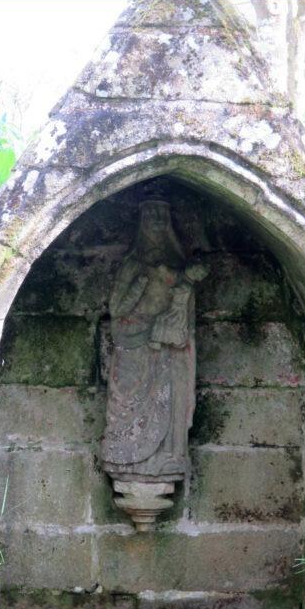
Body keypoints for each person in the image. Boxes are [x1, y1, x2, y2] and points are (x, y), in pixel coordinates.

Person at [100, 199, 209, 483]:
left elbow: (185, 319)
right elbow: (117, 309)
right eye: (150, 213)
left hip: (166, 348)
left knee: (170, 396)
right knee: (125, 404)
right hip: (132, 344)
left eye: (163, 213)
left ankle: (167, 455)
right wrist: (141, 285)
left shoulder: (177, 270)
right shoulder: (132, 265)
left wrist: (182, 286)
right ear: (141, 221)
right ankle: (126, 456)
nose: (158, 219)